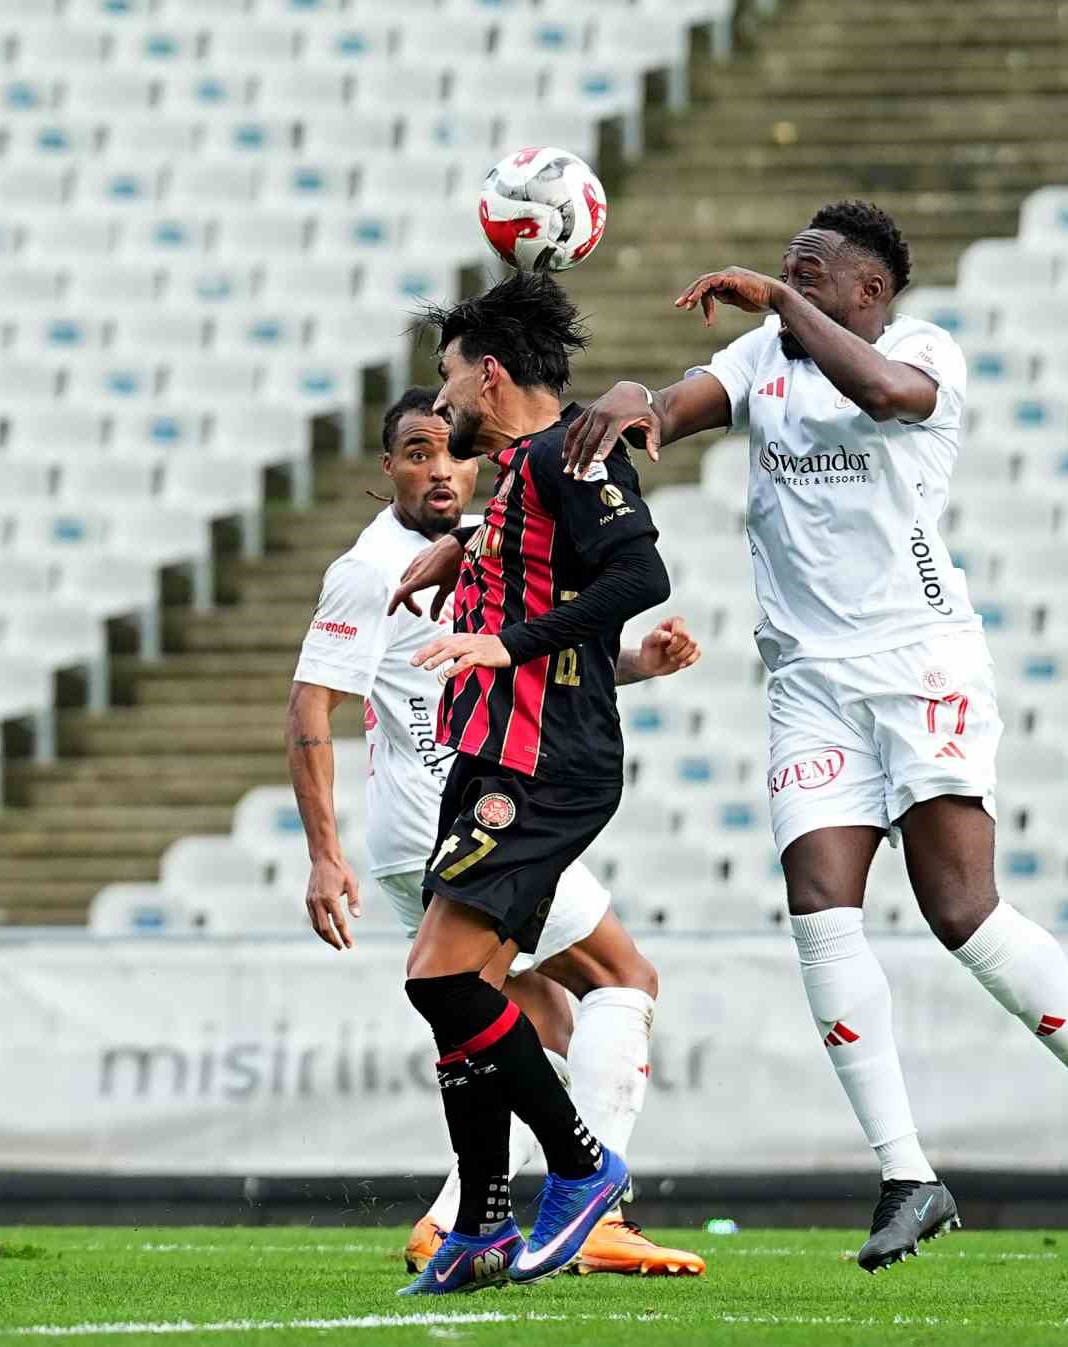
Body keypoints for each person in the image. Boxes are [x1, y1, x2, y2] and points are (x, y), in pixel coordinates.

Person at [559, 200, 1068, 1272]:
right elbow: (671, 409)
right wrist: (630, 402)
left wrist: (778, 297)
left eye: (812, 269)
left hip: (918, 662)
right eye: (787, 263)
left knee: (961, 914)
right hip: (808, 681)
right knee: (819, 912)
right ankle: (907, 1174)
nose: (788, 277)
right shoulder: (763, 357)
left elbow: (887, 396)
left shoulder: (922, 354)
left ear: (869, 291)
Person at [286, 384, 704, 1288]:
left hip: (466, 805)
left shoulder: (488, 542)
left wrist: (636, 662)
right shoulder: (369, 567)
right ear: (388, 467)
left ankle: (469, 1221)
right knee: (618, 977)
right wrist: (323, 852)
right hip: (463, 811)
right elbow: (310, 704)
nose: (441, 468)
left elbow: (527, 658)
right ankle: (593, 1201)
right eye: (418, 451)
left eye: (451, 450)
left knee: (516, 1018)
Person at [391, 271, 677, 1295]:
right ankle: (480, 1226)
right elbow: (542, 556)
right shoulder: (520, 472)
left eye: (447, 378)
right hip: (493, 755)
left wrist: (502, 643)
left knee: (440, 981)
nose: (441, 401)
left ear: (491, 375)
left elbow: (639, 577)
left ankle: (582, 1166)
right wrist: (462, 549)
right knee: (458, 996)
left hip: (542, 760)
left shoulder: (569, 452)